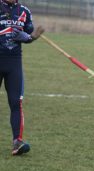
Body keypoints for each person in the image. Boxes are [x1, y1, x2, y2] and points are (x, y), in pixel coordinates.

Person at [0, 0, 44, 155]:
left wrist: (31, 37)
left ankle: (17, 142)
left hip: (14, 64)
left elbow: (28, 34)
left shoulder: (24, 11)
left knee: (15, 102)